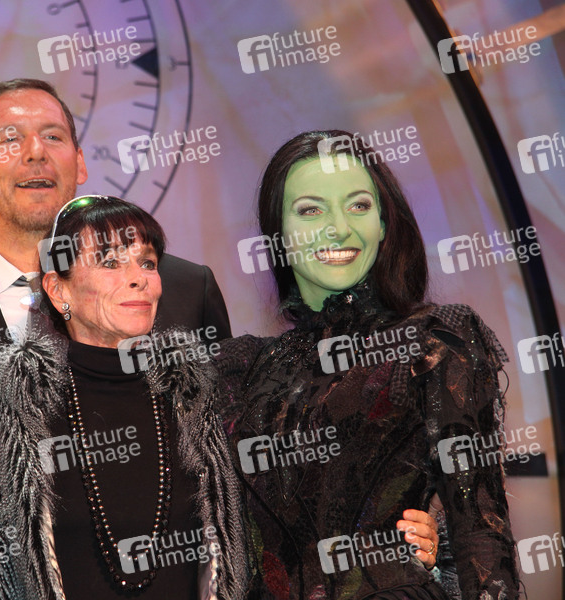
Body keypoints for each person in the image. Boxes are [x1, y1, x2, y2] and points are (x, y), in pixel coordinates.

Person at [0, 195, 439, 600]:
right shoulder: (5, 422)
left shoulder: (213, 397)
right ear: (57, 289)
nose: (138, 277)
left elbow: (308, 491)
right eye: (110, 262)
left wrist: (391, 532)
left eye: (147, 262)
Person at [218, 130, 520, 599]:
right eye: (311, 210)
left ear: (383, 223)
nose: (339, 227)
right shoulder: (243, 367)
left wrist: (435, 551)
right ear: (277, 233)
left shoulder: (434, 340)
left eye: (358, 205)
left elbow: (482, 534)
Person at [0, 79, 231, 382]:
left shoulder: (188, 289)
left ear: (80, 163)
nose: (35, 151)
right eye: (10, 139)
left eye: (52, 136)